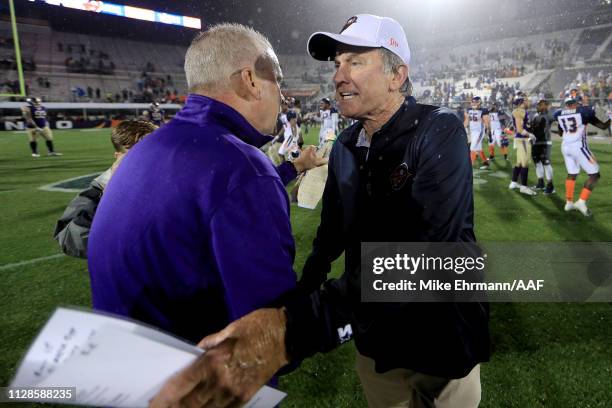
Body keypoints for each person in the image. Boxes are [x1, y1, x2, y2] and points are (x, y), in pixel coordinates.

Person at [152, 14, 489, 408]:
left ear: (397, 75)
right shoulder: (346, 143)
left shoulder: (439, 129)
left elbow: (431, 250)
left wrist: (296, 328)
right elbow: (331, 234)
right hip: (377, 337)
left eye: (356, 62)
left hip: (442, 332)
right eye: (337, 64)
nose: (339, 77)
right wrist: (295, 299)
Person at [88, 24, 324, 344]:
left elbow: (210, 197)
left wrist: (292, 168)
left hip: (124, 365)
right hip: (197, 380)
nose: (282, 95)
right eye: (277, 80)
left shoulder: (148, 146)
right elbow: (267, 329)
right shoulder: (241, 167)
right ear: (250, 80)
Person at [53, 120, 157, 258]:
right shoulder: (100, 189)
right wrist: (111, 193)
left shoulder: (174, 181)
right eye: (138, 156)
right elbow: (70, 240)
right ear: (118, 158)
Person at [553, 97, 610, 216]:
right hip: (578, 147)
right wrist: (610, 118)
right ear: (574, 104)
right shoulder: (583, 112)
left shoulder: (559, 113)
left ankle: (568, 202)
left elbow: (560, 133)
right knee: (595, 175)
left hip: (565, 147)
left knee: (572, 173)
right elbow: (604, 126)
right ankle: (581, 202)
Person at [508, 95, 537, 196]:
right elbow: (520, 129)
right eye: (526, 100)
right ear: (522, 102)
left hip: (521, 139)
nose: (528, 102)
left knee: (520, 162)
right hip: (523, 139)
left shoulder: (520, 111)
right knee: (525, 163)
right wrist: (530, 135)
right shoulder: (519, 111)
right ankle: (524, 187)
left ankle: (514, 182)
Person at [530, 99, 555, 194]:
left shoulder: (549, 115)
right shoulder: (536, 115)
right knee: (537, 163)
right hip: (535, 142)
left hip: (545, 142)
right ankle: (540, 183)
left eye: (540, 105)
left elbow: (555, 120)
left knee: (546, 163)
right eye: (538, 105)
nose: (538, 106)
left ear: (545, 106)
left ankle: (550, 186)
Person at [464, 96, 490, 169]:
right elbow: (467, 121)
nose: (474, 103)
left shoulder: (484, 110)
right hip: (472, 131)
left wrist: (488, 131)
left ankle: (469, 165)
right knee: (478, 148)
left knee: (472, 148)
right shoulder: (468, 110)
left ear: (480, 102)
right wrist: (463, 128)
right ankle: (486, 163)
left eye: (476, 102)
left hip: (479, 131)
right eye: (473, 102)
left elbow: (487, 122)